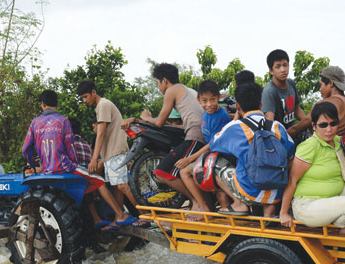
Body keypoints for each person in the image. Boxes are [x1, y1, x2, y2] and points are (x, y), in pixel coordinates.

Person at [22, 90, 139, 231]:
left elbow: (26, 149)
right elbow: (70, 147)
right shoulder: (63, 121)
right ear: (57, 104)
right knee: (98, 180)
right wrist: (74, 163)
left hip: (47, 169)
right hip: (64, 167)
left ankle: (99, 218)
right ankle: (120, 215)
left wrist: (35, 167)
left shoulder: (35, 123)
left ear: (42, 104)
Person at [121, 63, 205, 205]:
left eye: (158, 83)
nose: (159, 87)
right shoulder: (188, 90)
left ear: (164, 81)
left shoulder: (171, 90)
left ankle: (198, 203)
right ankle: (197, 202)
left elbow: (159, 122)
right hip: (200, 134)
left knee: (161, 172)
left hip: (195, 137)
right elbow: (182, 124)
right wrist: (137, 120)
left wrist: (146, 117)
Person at [210, 82, 295, 217]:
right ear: (261, 104)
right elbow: (291, 152)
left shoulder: (234, 127)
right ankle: (270, 205)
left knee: (212, 162)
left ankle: (239, 203)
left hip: (249, 193)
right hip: (278, 194)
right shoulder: (278, 126)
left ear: (237, 106)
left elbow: (213, 143)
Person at [279, 101, 345, 228]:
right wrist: (283, 213)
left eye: (333, 124)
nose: (329, 129)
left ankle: (338, 217)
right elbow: (292, 180)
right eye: (323, 125)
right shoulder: (310, 146)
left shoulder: (338, 141)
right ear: (314, 126)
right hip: (308, 205)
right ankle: (340, 225)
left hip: (332, 199)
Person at [77, 80, 140, 217]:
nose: (84, 100)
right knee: (118, 186)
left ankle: (146, 215)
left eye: (85, 96)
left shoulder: (103, 105)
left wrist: (94, 160)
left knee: (122, 186)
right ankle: (119, 216)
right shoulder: (101, 106)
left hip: (115, 151)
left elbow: (101, 133)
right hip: (112, 153)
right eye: (82, 98)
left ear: (94, 92)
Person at [176, 79, 232, 219]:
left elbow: (212, 143)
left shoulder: (221, 116)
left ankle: (205, 208)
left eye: (213, 100)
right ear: (198, 100)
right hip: (211, 156)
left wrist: (190, 158)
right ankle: (203, 206)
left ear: (219, 98)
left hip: (221, 157)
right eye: (204, 100)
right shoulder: (207, 113)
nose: (209, 104)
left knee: (185, 172)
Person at [261, 49, 310, 144]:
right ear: (271, 71)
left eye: (285, 65)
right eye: (278, 67)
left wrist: (309, 123)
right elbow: (269, 122)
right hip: (279, 137)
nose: (283, 70)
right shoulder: (269, 91)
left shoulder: (291, 83)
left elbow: (296, 109)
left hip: (292, 133)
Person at [319, 66, 345, 139]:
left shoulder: (329, 102)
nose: (320, 89)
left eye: (321, 85)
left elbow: (306, 122)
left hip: (331, 148)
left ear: (331, 83)